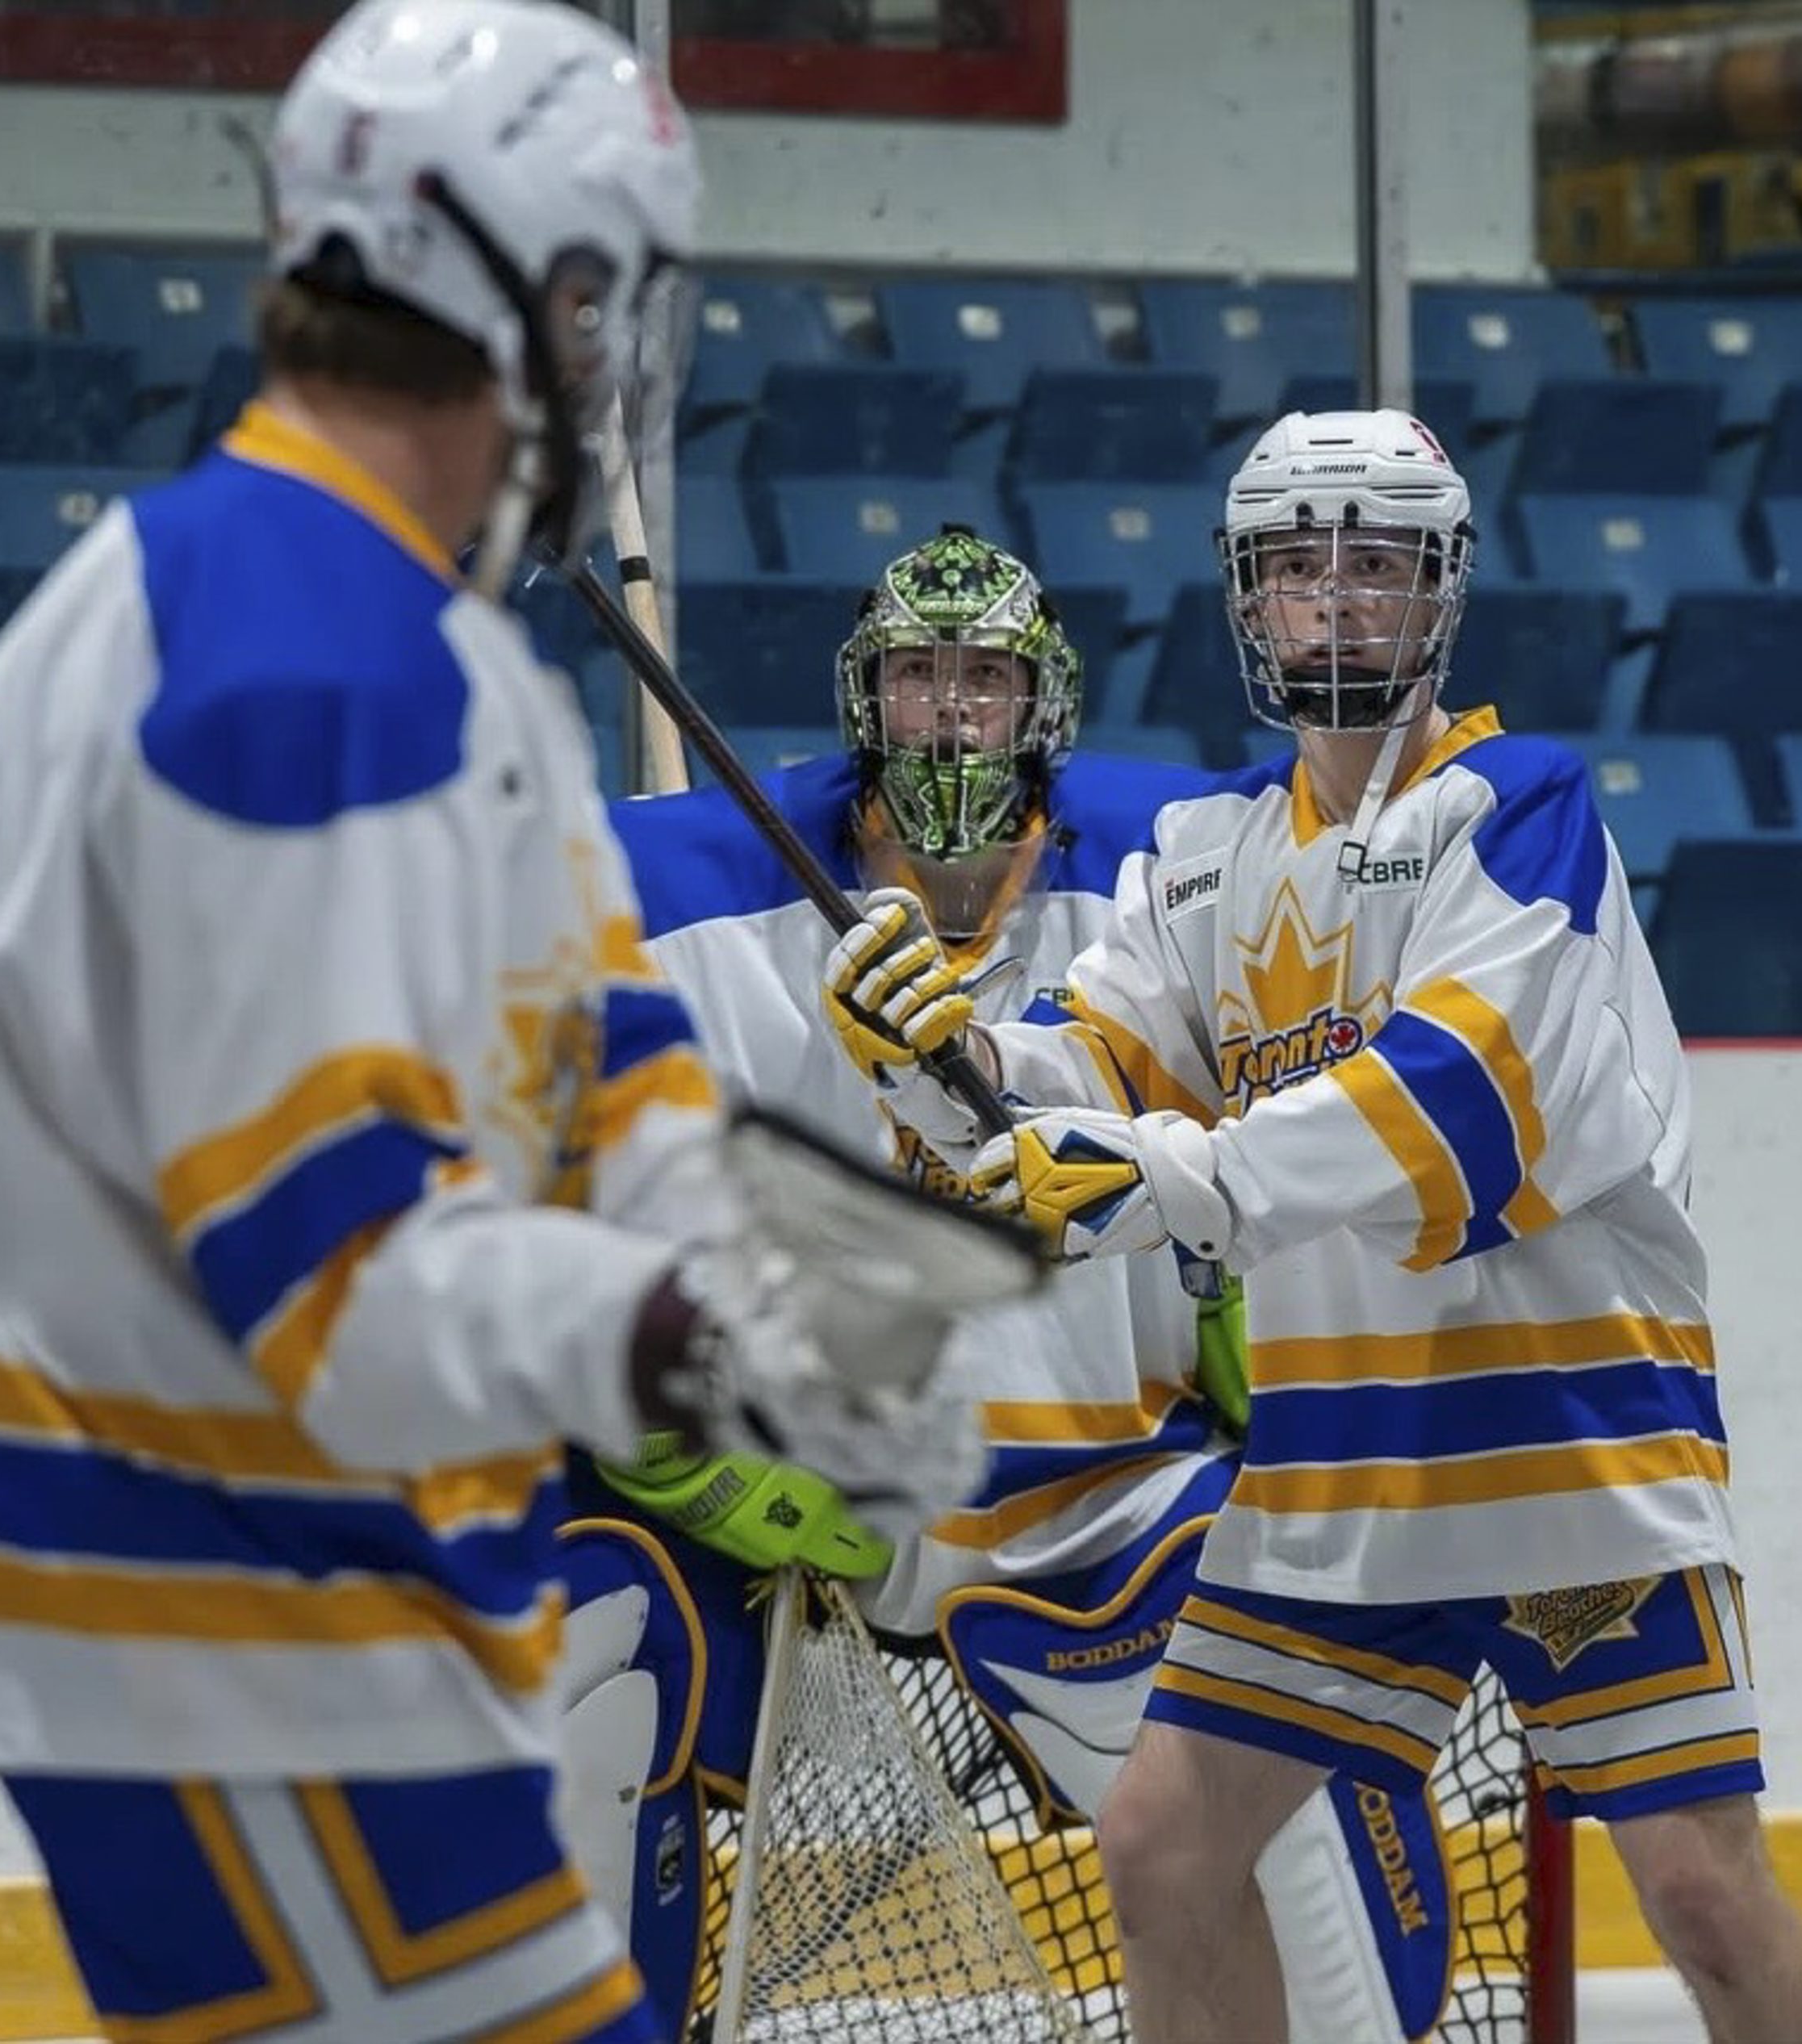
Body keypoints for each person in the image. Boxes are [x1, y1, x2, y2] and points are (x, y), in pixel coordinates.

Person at [0, 10, 1032, 2042]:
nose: (612, 367)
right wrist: (699, 1344)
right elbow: (321, 1260)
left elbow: (602, 1060)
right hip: (203, 1579)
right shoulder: (287, 656)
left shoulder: (403, 634)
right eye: (611, 309)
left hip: (286, 1564)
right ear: (552, 296)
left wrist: (799, 1273)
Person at [820, 415, 1802, 2044]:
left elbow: (1453, 1101)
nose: (1334, 598)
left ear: (1439, 590)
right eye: (1296, 567)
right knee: (1164, 1844)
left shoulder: (1515, 805)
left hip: (1567, 1429)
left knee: (1701, 1892)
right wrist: (941, 1055)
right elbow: (1088, 1064)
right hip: (1339, 1454)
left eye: (1374, 562)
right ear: (1247, 599)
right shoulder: (1205, 859)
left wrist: (1164, 1177)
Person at [554, 527, 1461, 2044]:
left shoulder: (1185, 870)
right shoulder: (674, 898)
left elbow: (1319, 1115)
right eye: (921, 676)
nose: (954, 712)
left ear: (1045, 704)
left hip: (1105, 1498)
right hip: (773, 1501)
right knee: (569, 1663)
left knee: (1286, 1762)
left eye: (986, 678)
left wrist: (1272, 1323)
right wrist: (681, 1453)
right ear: (868, 697)